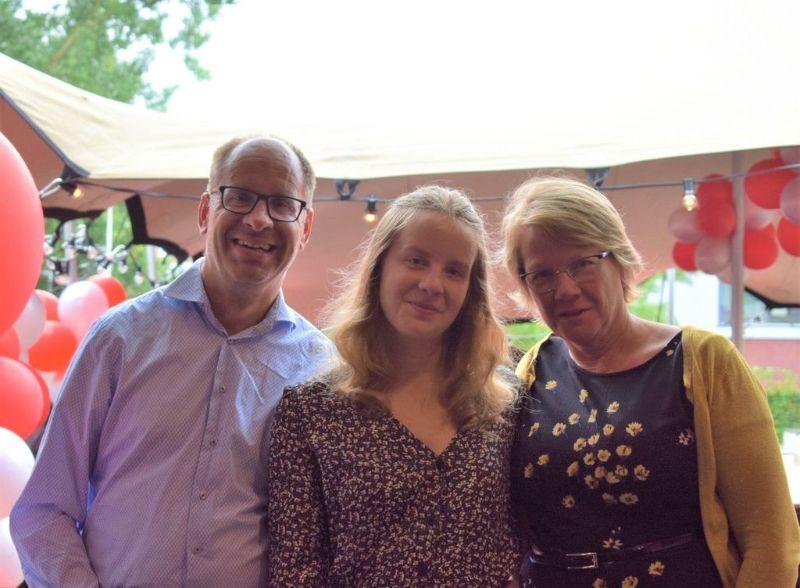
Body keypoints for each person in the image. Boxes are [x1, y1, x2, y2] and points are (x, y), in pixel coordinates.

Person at [10, 136, 334, 587]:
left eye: (282, 204)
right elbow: (45, 511)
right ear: (205, 211)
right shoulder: (120, 338)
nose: (259, 219)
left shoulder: (321, 369)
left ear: (307, 226)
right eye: (239, 197)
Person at [501, 176, 800, 588]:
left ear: (620, 260)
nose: (565, 289)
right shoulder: (533, 372)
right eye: (542, 274)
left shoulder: (705, 362)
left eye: (583, 263)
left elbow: (771, 539)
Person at [266, 185, 520, 586]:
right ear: (380, 267)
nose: (433, 284)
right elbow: (296, 572)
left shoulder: (505, 404)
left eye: (454, 271)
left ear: (471, 290)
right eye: (416, 260)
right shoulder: (310, 411)